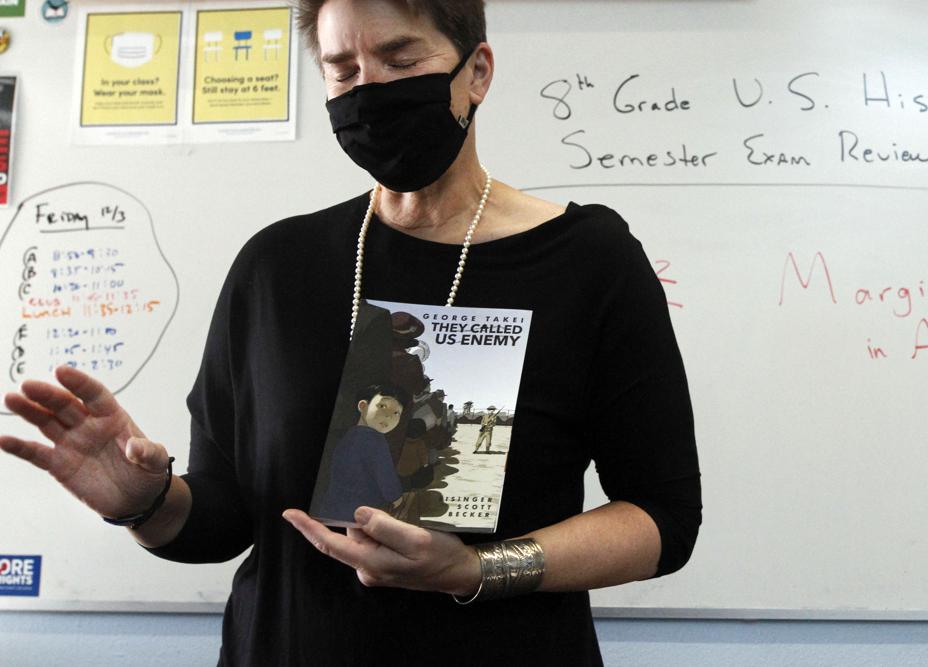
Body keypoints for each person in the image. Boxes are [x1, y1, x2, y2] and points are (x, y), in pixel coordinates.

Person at [0, 1, 701, 664]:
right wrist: (145, 502)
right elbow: (230, 516)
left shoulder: (588, 259)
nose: (370, 91)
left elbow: (663, 519)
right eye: (345, 70)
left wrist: (475, 566)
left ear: (477, 72)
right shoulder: (276, 267)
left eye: (399, 59)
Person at [310, 384, 408, 523]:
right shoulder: (375, 441)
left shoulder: (350, 435)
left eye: (396, 413)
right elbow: (386, 476)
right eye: (383, 406)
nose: (388, 416)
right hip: (358, 511)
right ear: (363, 406)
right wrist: (397, 498)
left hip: (332, 507)